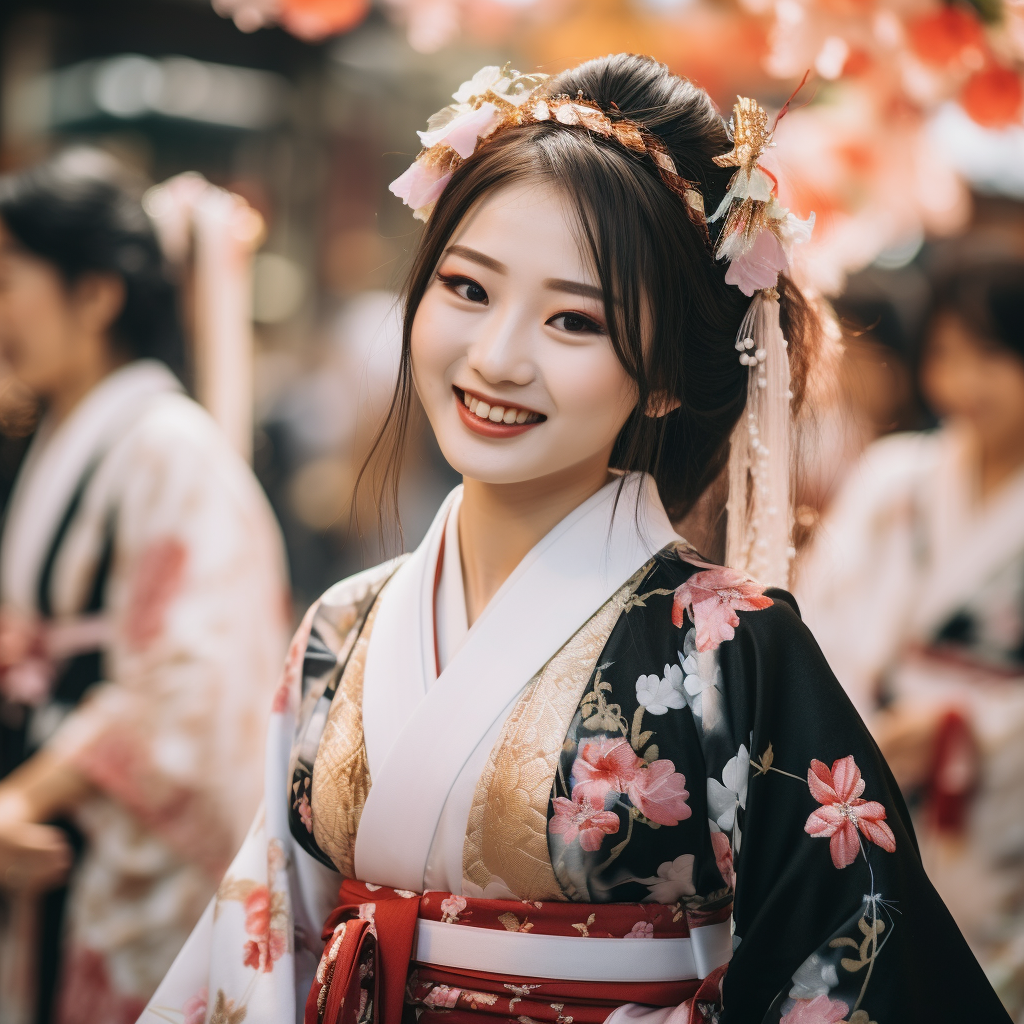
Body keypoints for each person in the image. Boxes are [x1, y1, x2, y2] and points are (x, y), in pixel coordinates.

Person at [142, 56, 1009, 1024]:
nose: (497, 357)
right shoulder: (341, 627)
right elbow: (259, 939)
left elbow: (856, 966)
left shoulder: (730, 645)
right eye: (466, 289)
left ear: (669, 375)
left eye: (572, 319)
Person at [0, 149, 290, 1024]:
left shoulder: (169, 446)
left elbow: (184, 685)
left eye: (10, 283)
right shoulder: (67, 433)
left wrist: (22, 799)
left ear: (95, 295)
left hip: (88, 829)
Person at [798, 259, 1024, 1017]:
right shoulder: (898, 474)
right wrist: (863, 731)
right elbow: (823, 611)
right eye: (947, 354)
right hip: (875, 752)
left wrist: (972, 729)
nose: (965, 380)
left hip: (993, 800)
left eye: (991, 354)